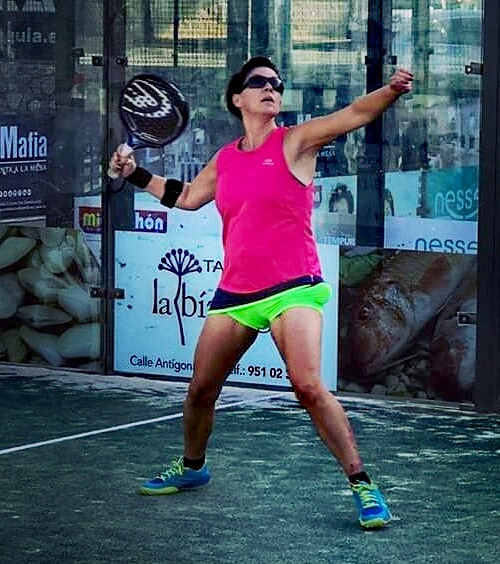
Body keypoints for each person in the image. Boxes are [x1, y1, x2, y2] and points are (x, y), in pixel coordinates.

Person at [109, 56, 413, 530]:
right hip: (236, 291)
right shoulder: (226, 159)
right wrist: (134, 174)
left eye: (277, 83)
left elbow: (355, 113)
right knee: (201, 389)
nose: (271, 88)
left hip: (294, 287)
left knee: (307, 386)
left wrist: (391, 90)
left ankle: (363, 484)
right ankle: (193, 467)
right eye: (260, 82)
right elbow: (186, 197)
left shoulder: (296, 141)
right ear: (238, 98)